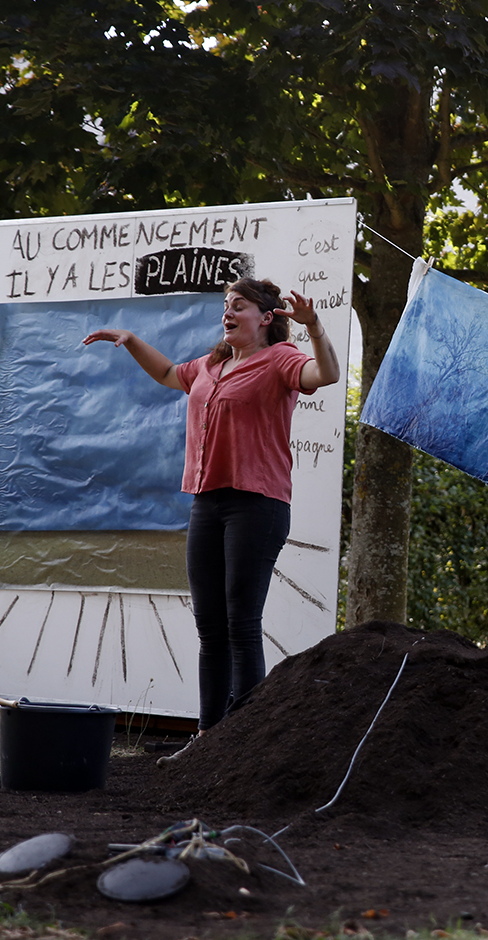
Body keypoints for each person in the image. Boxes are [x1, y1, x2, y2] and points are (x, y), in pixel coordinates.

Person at [82, 278, 339, 762]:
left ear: (266, 318)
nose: (228, 311)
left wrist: (315, 327)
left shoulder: (280, 360)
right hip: (207, 502)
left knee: (242, 624)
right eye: (226, 305)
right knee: (210, 629)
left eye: (238, 305)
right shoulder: (212, 364)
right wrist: (132, 340)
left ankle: (246, 746)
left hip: (257, 504)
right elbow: (167, 374)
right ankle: (207, 744)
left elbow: (325, 376)